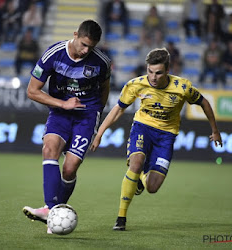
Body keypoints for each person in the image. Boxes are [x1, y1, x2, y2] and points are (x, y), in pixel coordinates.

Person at [90, 48, 223, 231]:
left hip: (166, 137)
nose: (153, 77)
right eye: (150, 71)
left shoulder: (182, 87)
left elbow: (204, 103)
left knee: (152, 187)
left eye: (158, 72)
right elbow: (118, 109)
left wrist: (215, 131)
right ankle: (121, 218)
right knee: (135, 164)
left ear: (167, 70)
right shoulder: (136, 85)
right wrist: (99, 133)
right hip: (142, 128)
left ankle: (140, 179)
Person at [22, 19, 111, 234]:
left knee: (69, 168)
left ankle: (53, 210)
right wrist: (62, 104)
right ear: (75, 34)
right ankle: (51, 211)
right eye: (83, 44)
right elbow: (32, 91)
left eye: (91, 46)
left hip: (87, 116)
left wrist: (95, 111)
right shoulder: (53, 54)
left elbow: (105, 89)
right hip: (61, 111)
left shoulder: (102, 62)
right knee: (49, 148)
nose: (85, 50)